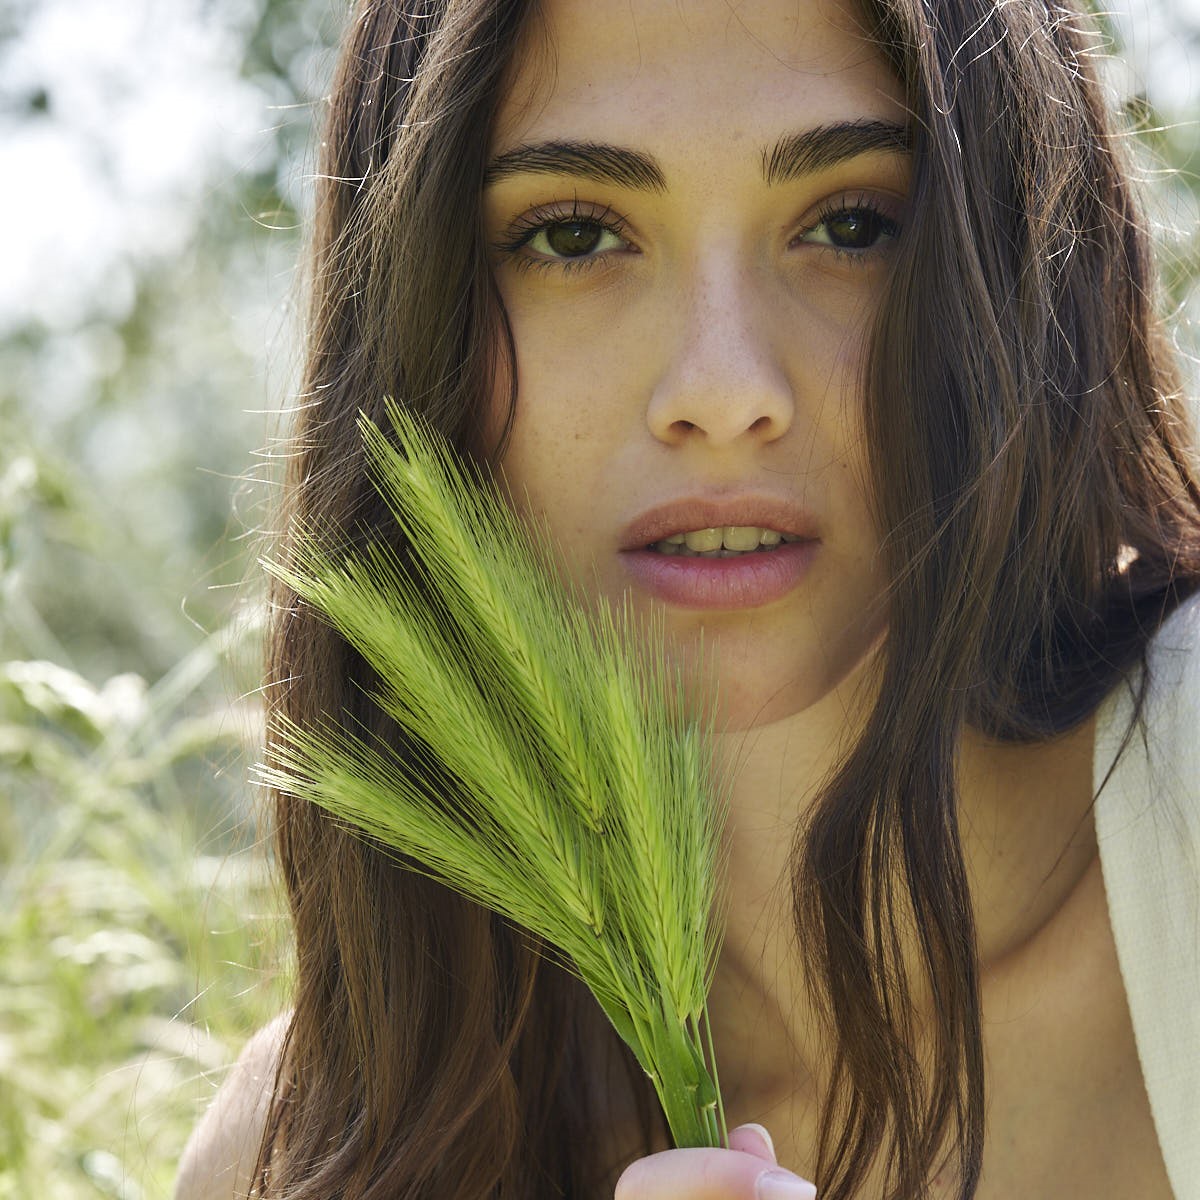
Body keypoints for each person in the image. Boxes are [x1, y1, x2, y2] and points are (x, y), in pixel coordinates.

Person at [175, 0, 1200, 1196]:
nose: (721, 389)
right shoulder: (312, 1158)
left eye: (853, 225)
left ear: (1020, 271)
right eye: (573, 237)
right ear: (414, 325)